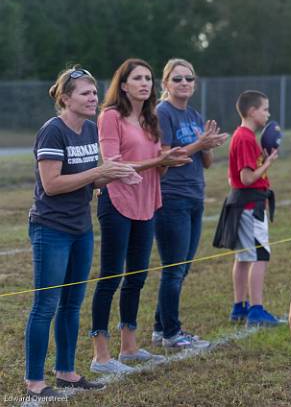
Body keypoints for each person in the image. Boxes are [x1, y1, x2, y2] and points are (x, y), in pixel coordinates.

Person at [25, 67, 137, 399]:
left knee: (72, 304)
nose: (94, 98)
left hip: (81, 228)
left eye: (94, 92)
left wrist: (114, 175)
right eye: (85, 93)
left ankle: (66, 372)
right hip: (51, 229)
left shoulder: (89, 129)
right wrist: (98, 171)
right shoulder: (53, 132)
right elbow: (52, 184)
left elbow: (92, 178)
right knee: (45, 304)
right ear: (65, 98)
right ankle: (34, 382)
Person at [90, 58, 190, 374]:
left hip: (146, 203)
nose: (145, 83)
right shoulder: (110, 117)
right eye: (138, 78)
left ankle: (129, 347)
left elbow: (156, 166)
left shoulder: (150, 120)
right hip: (117, 202)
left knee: (137, 277)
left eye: (148, 78)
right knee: (110, 276)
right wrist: (158, 160)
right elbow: (113, 165)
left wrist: (167, 161)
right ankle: (101, 355)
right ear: (123, 85)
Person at [151, 59, 228, 349]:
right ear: (166, 83)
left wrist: (208, 145)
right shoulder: (163, 112)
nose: (184, 83)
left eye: (189, 79)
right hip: (171, 198)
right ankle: (172, 333)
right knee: (173, 268)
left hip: (195, 195)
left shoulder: (194, 114)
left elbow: (205, 162)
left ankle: (161, 328)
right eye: (178, 79)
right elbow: (167, 156)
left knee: (182, 268)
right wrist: (199, 144)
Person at [215, 90, 281, 327]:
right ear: (252, 112)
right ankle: (256, 309)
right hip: (250, 205)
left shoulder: (244, 136)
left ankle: (239, 306)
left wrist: (262, 158)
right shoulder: (244, 137)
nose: (268, 113)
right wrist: (269, 163)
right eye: (265, 109)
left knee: (243, 257)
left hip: (244, 204)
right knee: (260, 255)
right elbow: (247, 178)